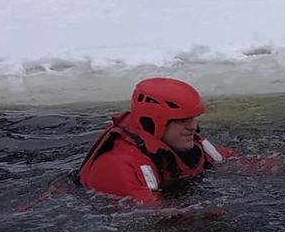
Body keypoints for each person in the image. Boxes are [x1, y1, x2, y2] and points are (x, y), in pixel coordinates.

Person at [78, 78, 238, 205]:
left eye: (193, 119)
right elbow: (151, 214)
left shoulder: (186, 144)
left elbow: (242, 162)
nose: (193, 127)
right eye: (182, 120)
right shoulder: (117, 166)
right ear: (154, 123)